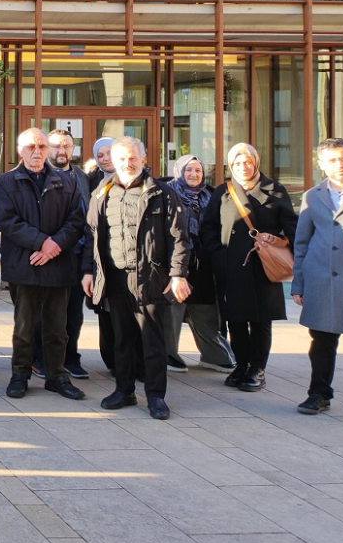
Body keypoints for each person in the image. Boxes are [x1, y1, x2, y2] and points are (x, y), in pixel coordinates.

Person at [80, 138, 192, 421]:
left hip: (151, 278)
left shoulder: (162, 193)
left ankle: (155, 396)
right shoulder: (101, 193)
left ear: (143, 159)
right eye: (121, 159)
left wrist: (178, 274)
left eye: (132, 158)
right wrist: (88, 272)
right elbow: (91, 236)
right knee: (121, 338)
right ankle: (124, 390)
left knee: (152, 341)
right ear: (113, 162)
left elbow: (180, 237)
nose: (127, 164)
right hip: (114, 277)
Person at [0, 128, 87, 402]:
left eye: (42, 147)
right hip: (24, 266)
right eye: (31, 147)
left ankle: (57, 376)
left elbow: (76, 221)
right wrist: (41, 243)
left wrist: (54, 245)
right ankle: (20, 375)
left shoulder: (65, 182)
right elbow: (7, 221)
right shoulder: (4, 182)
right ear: (19, 150)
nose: (37, 152)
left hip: (59, 264)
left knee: (58, 327)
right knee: (24, 327)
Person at [199, 142, 297, 392]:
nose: (243, 167)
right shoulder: (224, 191)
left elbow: (291, 227)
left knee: (262, 320)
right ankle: (241, 366)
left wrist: (297, 259)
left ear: (256, 162)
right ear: (231, 166)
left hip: (264, 265)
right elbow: (208, 226)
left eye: (247, 162)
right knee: (236, 320)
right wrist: (218, 255)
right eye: (237, 163)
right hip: (232, 266)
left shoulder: (274, 190)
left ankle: (257, 370)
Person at [291, 138, 343, 414]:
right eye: (332, 160)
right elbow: (302, 243)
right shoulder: (312, 196)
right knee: (321, 342)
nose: (339, 164)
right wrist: (298, 282)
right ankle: (319, 393)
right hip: (321, 280)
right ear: (321, 165)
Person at [165, 155, 236, 373]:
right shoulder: (167, 193)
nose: (194, 175)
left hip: (204, 265)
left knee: (205, 311)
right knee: (172, 311)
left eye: (198, 170)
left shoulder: (212, 196)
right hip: (175, 263)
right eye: (189, 170)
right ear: (179, 171)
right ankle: (168, 354)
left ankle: (213, 355)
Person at [34, 129, 90, 380]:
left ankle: (70, 356)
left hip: (75, 254)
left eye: (67, 145)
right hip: (46, 252)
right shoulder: (38, 175)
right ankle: (40, 358)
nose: (61, 151)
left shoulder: (81, 177)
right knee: (43, 312)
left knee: (74, 312)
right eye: (56, 146)